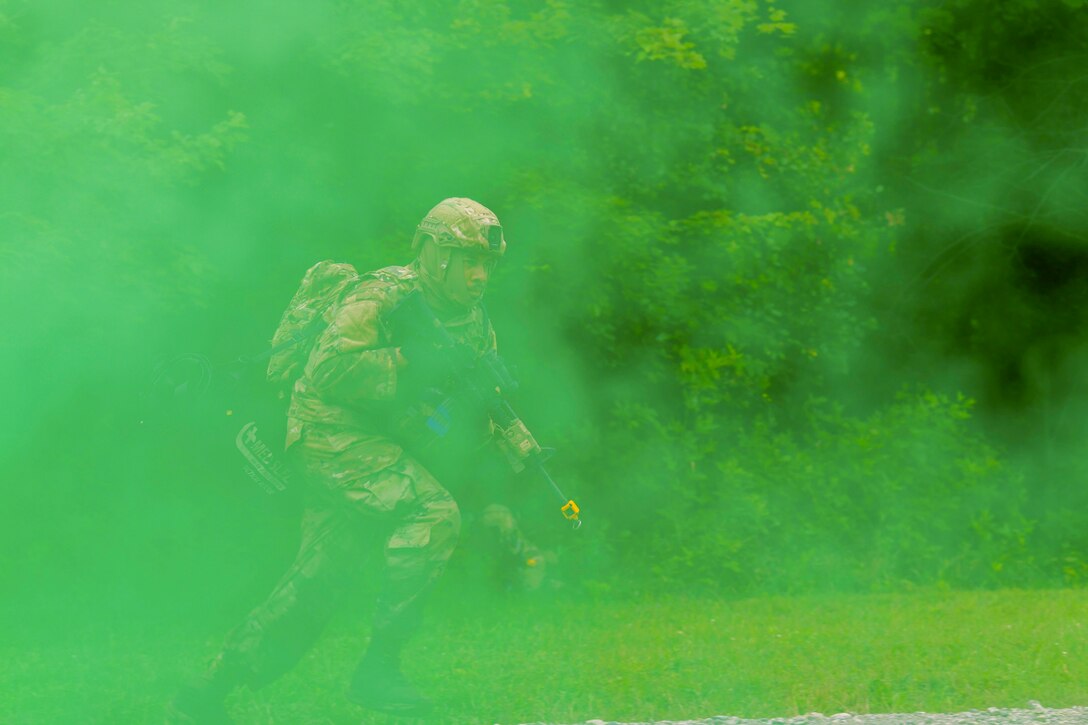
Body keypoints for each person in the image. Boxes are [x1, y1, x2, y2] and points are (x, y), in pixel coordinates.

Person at [169, 197, 544, 722]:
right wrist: (412, 361)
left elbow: (463, 398)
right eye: (469, 262)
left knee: (318, 581)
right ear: (436, 254)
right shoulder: (383, 294)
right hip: (327, 431)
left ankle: (209, 690)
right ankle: (380, 668)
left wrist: (506, 430)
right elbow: (326, 372)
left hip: (379, 443)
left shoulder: (474, 322)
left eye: (487, 265)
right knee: (434, 513)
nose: (480, 276)